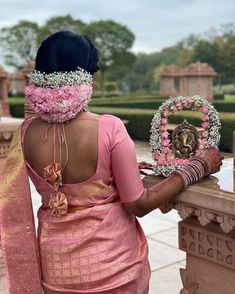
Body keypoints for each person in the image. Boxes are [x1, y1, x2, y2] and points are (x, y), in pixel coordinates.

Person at [0, 31, 223, 294]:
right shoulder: (109, 127)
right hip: (112, 268)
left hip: (56, 268)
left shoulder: (25, 132)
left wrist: (119, 169)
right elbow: (138, 204)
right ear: (88, 77)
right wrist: (197, 167)